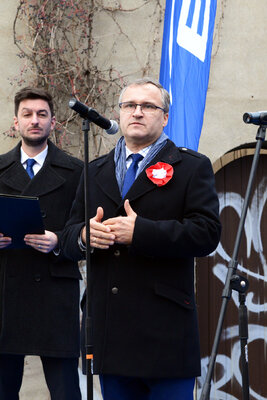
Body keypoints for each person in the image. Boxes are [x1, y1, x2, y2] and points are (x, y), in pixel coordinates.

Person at [61, 77, 221, 400]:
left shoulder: (191, 167)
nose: (137, 112)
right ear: (119, 114)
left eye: (148, 106)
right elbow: (67, 239)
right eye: (129, 106)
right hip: (110, 334)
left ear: (164, 117)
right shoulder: (94, 171)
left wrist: (141, 232)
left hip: (165, 335)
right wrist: (83, 235)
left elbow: (207, 233)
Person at [0, 87, 83, 400]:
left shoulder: (76, 172)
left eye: (42, 114)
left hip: (55, 296)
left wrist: (59, 241)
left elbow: (87, 234)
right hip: (6, 295)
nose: (35, 120)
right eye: (27, 114)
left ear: (53, 122)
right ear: (16, 121)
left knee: (65, 392)